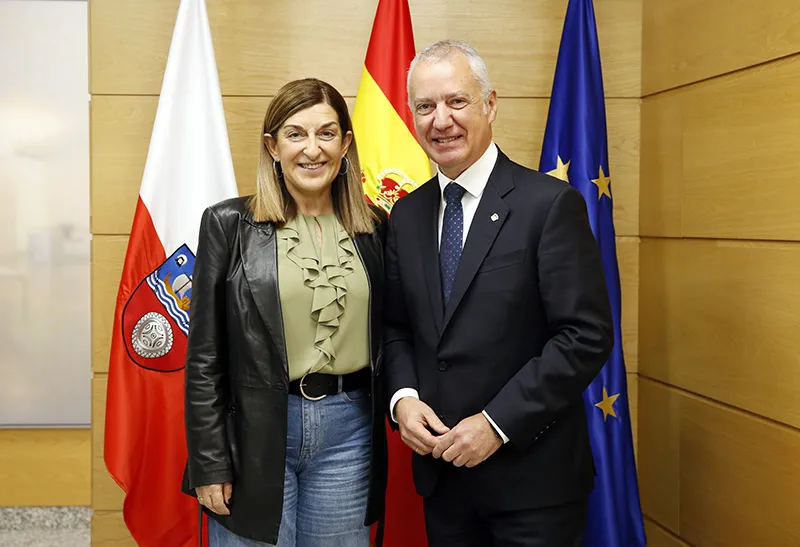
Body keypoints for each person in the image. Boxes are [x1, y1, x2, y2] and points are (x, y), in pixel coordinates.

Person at [384, 40, 613, 546]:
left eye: (456, 102)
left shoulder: (549, 205)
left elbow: (585, 336)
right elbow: (396, 327)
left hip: (534, 486)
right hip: (445, 483)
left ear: (490, 104)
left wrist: (497, 423)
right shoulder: (407, 215)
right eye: (425, 106)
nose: (440, 120)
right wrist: (402, 400)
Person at [182, 78, 388, 547]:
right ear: (273, 147)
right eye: (295, 134)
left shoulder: (376, 228)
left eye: (326, 133)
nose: (312, 149)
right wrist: (209, 461)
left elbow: (394, 332)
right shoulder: (228, 225)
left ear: (346, 145)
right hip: (254, 433)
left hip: (349, 433)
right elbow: (205, 359)